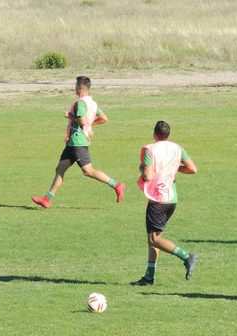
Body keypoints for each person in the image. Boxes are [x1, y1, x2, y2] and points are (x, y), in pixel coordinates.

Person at [31, 76, 125, 208]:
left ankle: (116, 184)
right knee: (60, 169)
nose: (74, 88)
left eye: (75, 86)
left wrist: (70, 116)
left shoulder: (80, 103)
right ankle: (47, 199)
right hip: (73, 142)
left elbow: (82, 121)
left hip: (77, 141)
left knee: (88, 171)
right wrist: (89, 126)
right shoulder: (92, 103)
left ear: (80, 88)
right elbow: (104, 118)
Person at [130, 121, 198, 285]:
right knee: (153, 237)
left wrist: (142, 168)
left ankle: (186, 256)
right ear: (168, 135)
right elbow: (192, 169)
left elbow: (147, 176)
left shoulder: (150, 149)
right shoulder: (177, 148)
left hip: (158, 199)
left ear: (154, 134)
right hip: (172, 198)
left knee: (154, 239)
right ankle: (149, 277)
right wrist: (175, 168)